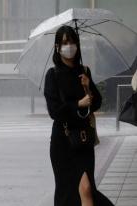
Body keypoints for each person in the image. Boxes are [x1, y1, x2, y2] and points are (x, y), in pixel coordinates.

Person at [44, 25, 114, 206]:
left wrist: (88, 86)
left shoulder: (84, 72)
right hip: (63, 142)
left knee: (86, 188)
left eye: (73, 41)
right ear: (57, 47)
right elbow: (54, 112)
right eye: (65, 42)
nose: (70, 46)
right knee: (68, 192)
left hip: (83, 141)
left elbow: (96, 102)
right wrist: (77, 104)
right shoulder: (53, 75)